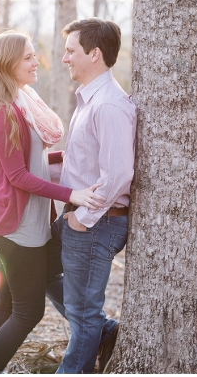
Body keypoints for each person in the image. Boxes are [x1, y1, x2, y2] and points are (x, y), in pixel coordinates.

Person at [0, 30, 105, 374]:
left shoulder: (22, 101)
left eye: (33, 54)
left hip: (16, 223)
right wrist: (72, 194)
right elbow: (19, 178)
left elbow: (32, 161)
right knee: (29, 311)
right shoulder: (4, 112)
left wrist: (70, 159)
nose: (35, 61)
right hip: (17, 228)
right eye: (27, 57)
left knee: (4, 302)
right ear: (8, 64)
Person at [50, 18, 137, 373]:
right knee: (35, 271)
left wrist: (82, 219)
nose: (65, 58)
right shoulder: (90, 100)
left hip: (96, 223)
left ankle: (91, 337)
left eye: (71, 51)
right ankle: (105, 331)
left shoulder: (108, 106)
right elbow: (86, 160)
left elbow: (117, 175)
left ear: (94, 54)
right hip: (78, 220)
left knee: (83, 317)